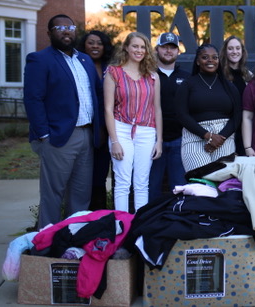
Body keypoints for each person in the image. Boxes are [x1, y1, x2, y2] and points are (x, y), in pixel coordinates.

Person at [24, 14, 102, 229]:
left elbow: (97, 93)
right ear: (49, 33)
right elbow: (33, 99)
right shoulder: (39, 59)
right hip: (59, 136)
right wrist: (44, 135)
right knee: (53, 194)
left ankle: (73, 237)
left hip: (87, 135)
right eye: (60, 28)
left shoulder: (85, 60)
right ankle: (47, 240)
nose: (66, 31)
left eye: (70, 27)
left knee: (80, 193)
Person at [104, 32, 163, 212]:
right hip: (121, 129)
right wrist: (114, 141)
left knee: (142, 183)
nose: (139, 50)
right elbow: (108, 109)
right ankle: (121, 225)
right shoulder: (113, 72)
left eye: (143, 47)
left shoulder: (153, 76)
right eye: (135, 46)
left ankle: (139, 226)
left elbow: (157, 109)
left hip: (147, 131)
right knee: (122, 182)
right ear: (126, 48)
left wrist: (159, 141)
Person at [176, 44, 242, 171]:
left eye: (214, 57)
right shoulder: (187, 84)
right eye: (205, 57)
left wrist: (219, 138)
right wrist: (207, 135)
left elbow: (237, 115)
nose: (210, 60)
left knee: (222, 180)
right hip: (195, 136)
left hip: (224, 137)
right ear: (197, 61)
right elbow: (181, 114)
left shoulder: (229, 86)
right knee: (201, 178)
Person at [149, 33, 190, 201]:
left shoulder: (187, 77)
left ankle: (177, 217)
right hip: (151, 139)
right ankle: (150, 218)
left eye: (172, 48)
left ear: (178, 51)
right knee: (151, 187)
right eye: (164, 47)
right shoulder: (148, 75)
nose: (168, 51)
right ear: (157, 49)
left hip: (179, 140)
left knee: (179, 188)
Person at [77, 30, 113, 210]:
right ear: (84, 45)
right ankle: (82, 214)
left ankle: (100, 213)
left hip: (108, 128)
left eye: (99, 43)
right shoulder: (77, 65)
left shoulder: (111, 67)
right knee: (82, 175)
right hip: (85, 126)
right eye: (91, 43)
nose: (95, 46)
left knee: (100, 174)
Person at [220, 35, 251, 155]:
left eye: (238, 48)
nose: (234, 51)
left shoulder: (248, 75)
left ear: (242, 51)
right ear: (225, 51)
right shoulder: (219, 75)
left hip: (244, 129)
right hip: (225, 129)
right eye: (230, 48)